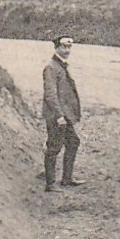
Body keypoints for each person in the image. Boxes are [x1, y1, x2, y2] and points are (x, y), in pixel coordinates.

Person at [42, 35, 84, 192]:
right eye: (64, 47)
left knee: (73, 142)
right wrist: (59, 116)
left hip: (65, 116)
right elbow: (50, 95)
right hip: (56, 116)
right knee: (54, 147)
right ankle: (50, 184)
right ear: (56, 48)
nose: (67, 51)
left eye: (69, 47)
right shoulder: (51, 68)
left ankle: (66, 179)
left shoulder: (61, 66)